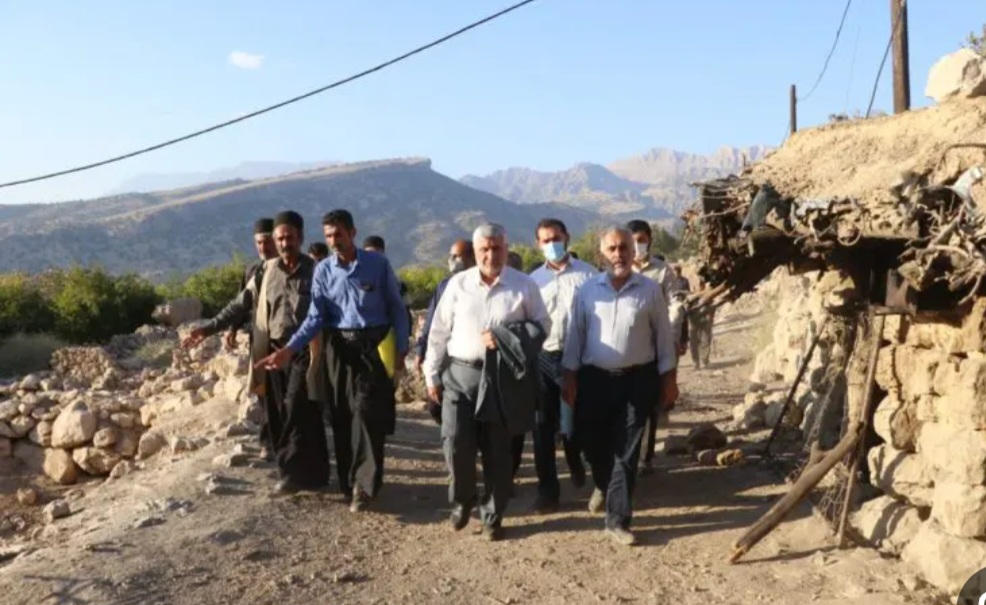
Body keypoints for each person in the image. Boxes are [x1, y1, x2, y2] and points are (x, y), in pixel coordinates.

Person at [256, 210, 410, 513]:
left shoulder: (377, 265)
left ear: (352, 233)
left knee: (366, 413)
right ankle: (349, 482)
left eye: (338, 234)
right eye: (328, 236)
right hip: (338, 350)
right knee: (342, 417)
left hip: (373, 347)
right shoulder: (323, 271)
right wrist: (289, 349)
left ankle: (364, 486)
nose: (334, 240)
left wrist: (402, 348)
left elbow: (396, 307)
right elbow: (315, 318)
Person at [184, 211, 330, 493]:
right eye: (280, 238)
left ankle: (293, 475)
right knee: (277, 412)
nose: (285, 243)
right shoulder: (265, 272)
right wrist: (208, 328)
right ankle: (313, 474)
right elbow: (239, 304)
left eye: (289, 238)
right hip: (271, 351)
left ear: (300, 237)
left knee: (298, 407)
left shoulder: (317, 272)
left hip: (303, 351)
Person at [423, 223, 550, 541]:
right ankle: (463, 499)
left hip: (502, 380)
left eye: (496, 248)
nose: (491, 255)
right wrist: (431, 374)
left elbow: (542, 326)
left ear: (506, 249)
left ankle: (493, 515)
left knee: (498, 450)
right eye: (484, 249)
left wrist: (505, 337)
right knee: (455, 442)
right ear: (475, 251)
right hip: (459, 374)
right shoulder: (458, 285)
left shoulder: (523, 286)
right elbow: (438, 332)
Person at [562, 226, 678, 546]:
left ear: (632, 251)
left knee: (626, 452)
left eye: (624, 247)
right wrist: (569, 376)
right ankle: (605, 485)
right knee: (594, 446)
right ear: (601, 254)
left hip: (637, 381)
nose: (619, 254)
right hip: (594, 380)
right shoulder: (587, 291)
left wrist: (669, 379)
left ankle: (618, 520)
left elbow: (663, 338)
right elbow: (575, 336)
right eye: (612, 249)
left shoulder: (649, 290)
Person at [528, 218, 596, 513]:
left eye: (556, 238)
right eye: (546, 240)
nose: (552, 244)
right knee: (541, 426)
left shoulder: (588, 275)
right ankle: (548, 491)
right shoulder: (533, 281)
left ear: (567, 237)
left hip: (576, 359)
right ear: (538, 244)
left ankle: (575, 459)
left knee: (572, 425)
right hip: (543, 357)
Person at [626, 219, 682, 476]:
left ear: (650, 240)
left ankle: (644, 458)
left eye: (642, 240)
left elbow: (676, 306)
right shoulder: (618, 271)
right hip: (625, 348)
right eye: (633, 240)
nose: (637, 245)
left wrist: (670, 338)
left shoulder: (663, 272)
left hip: (654, 347)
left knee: (650, 403)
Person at [414, 239, 476, 424]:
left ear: (472, 257)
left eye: (457, 256)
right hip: (444, 354)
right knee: (436, 404)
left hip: (468, 357)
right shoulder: (445, 285)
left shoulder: (480, 286)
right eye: (451, 256)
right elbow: (432, 321)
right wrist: (420, 351)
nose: (452, 260)